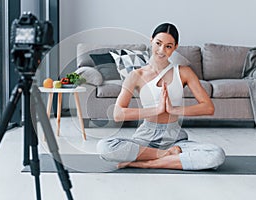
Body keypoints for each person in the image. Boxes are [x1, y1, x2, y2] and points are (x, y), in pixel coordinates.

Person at [97, 23, 226, 170]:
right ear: (151, 40)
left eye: (168, 46)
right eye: (158, 43)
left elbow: (208, 107)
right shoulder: (136, 75)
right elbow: (118, 114)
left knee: (216, 154)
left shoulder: (184, 72)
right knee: (105, 147)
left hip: (175, 138)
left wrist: (174, 110)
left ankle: (147, 163)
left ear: (175, 47)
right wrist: (156, 110)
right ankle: (166, 155)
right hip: (145, 137)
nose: (161, 50)